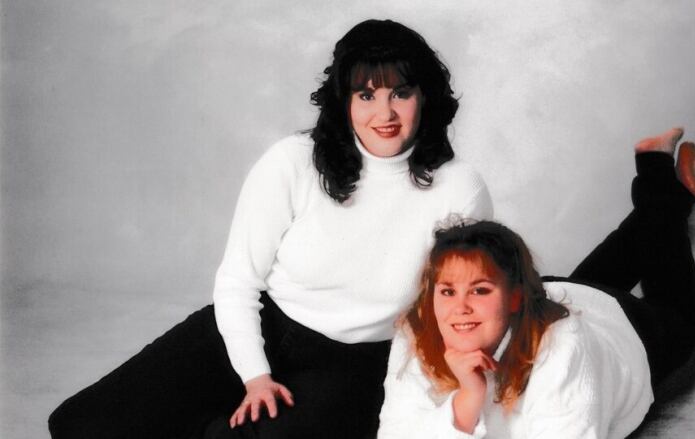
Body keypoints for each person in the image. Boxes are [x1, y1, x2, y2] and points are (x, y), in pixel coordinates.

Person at [48, 19, 492, 439]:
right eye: (366, 95)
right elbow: (239, 281)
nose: (384, 113)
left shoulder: (459, 186)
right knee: (82, 426)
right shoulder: (293, 161)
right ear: (344, 101)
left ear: (425, 97)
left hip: (353, 366)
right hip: (266, 324)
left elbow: (471, 292)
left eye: (401, 93)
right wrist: (255, 376)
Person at [377, 128, 695, 438]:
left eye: (479, 289)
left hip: (619, 327)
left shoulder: (562, 349)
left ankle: (663, 180)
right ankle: (666, 183)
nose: (459, 307)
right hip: (555, 295)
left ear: (515, 296)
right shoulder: (415, 333)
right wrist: (467, 402)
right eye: (447, 291)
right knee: (638, 244)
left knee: (684, 319)